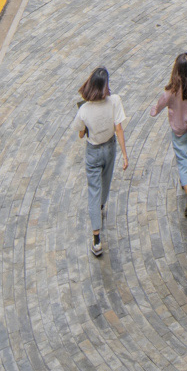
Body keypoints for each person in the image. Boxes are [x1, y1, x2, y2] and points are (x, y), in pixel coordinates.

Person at [150, 51, 187, 218]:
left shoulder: (172, 90)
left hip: (178, 130)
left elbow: (160, 104)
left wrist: (154, 111)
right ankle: (186, 180)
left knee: (182, 159)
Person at [73, 65, 127, 258]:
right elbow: (119, 129)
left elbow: (80, 134)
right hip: (110, 148)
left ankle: (96, 240)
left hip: (93, 151)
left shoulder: (84, 111)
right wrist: (125, 155)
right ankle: (101, 208)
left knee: (93, 191)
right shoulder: (114, 101)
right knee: (105, 182)